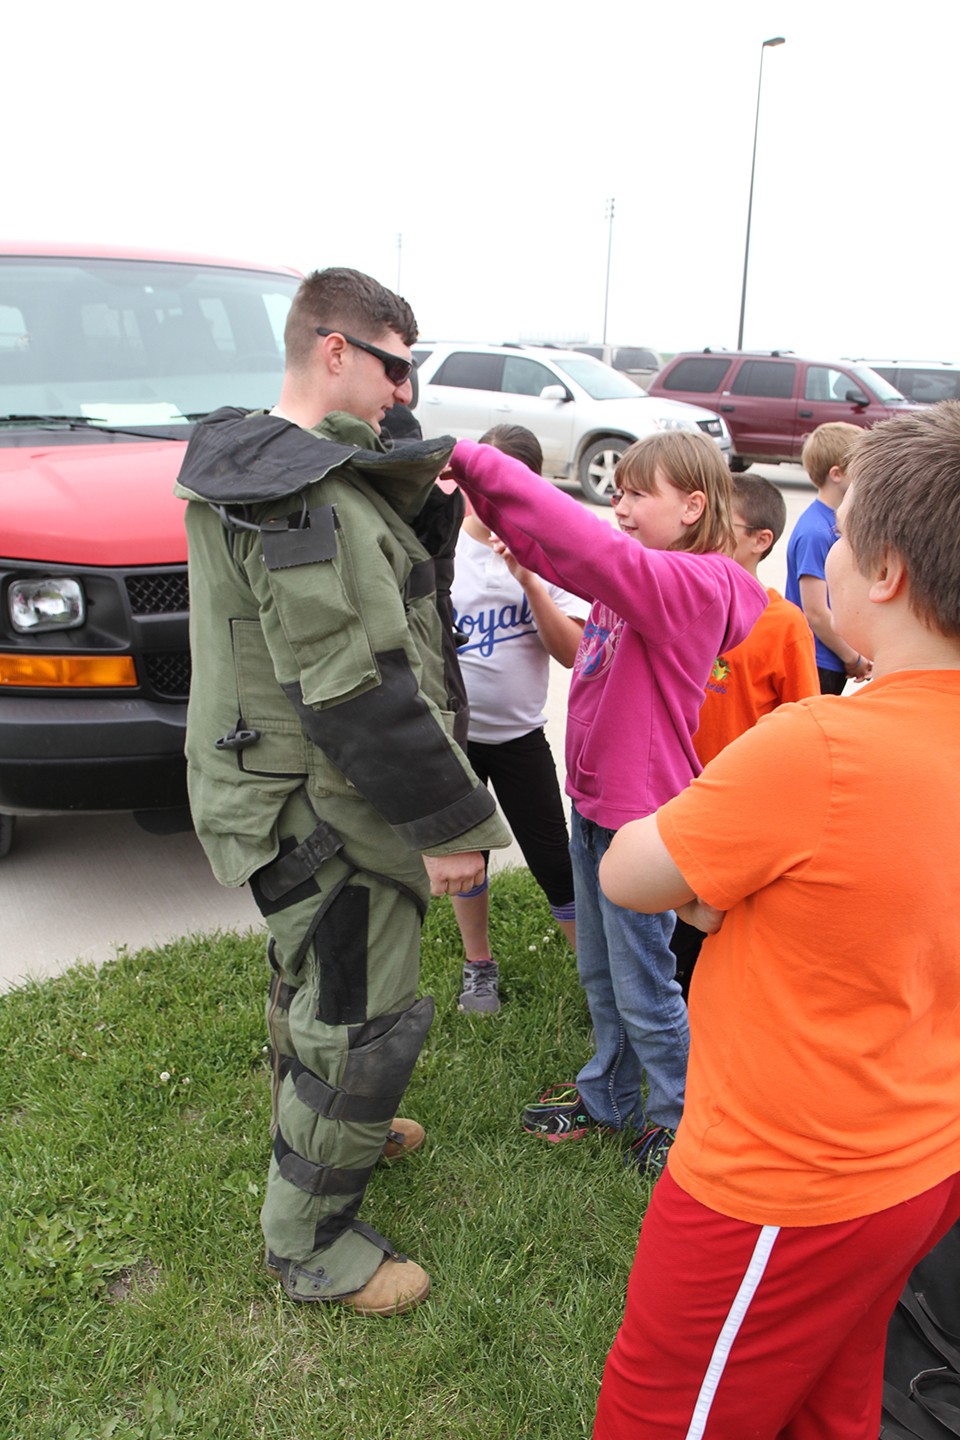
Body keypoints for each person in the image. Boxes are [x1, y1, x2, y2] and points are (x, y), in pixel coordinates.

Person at [592, 402, 960, 1439]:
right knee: (830, 1400)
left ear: (883, 573)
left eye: (836, 533)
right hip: (922, 1164)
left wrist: (715, 875)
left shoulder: (820, 749)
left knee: (664, 1416)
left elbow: (629, 870)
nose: (824, 553)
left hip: (781, 1186)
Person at [174, 267, 510, 1316]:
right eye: (394, 366)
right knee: (358, 1020)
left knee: (314, 987)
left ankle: (324, 1127)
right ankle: (312, 1241)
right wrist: (450, 829)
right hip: (321, 806)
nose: (403, 392)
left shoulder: (285, 472)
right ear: (334, 349)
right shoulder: (296, 492)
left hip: (284, 790)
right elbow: (354, 691)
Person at [449, 430, 766, 1172]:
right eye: (614, 491)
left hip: (640, 821)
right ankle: (612, 1095)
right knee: (601, 972)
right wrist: (486, 502)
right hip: (595, 806)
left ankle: (674, 1118)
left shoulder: (696, 586)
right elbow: (560, 552)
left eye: (635, 494)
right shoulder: (646, 581)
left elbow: (589, 552)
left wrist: (470, 458)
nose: (617, 506)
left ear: (693, 505)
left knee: (645, 983)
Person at [450, 424, 587, 1014]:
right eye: (483, 481)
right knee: (467, 860)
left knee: (556, 860)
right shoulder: (438, 545)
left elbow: (576, 655)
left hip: (518, 735)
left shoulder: (546, 550)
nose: (492, 497)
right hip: (453, 737)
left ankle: (597, 977)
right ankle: (478, 966)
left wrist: (529, 582)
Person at [670, 472, 818, 996]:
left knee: (713, 929)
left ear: (761, 541)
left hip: (735, 805)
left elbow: (803, 725)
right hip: (668, 794)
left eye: (722, 526)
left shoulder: (783, 624)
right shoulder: (678, 598)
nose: (704, 533)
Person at [786, 421, 873, 693]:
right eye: (861, 467)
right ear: (837, 474)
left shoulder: (835, 522)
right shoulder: (816, 531)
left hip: (829, 658)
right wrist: (853, 657)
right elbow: (816, 612)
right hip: (817, 660)